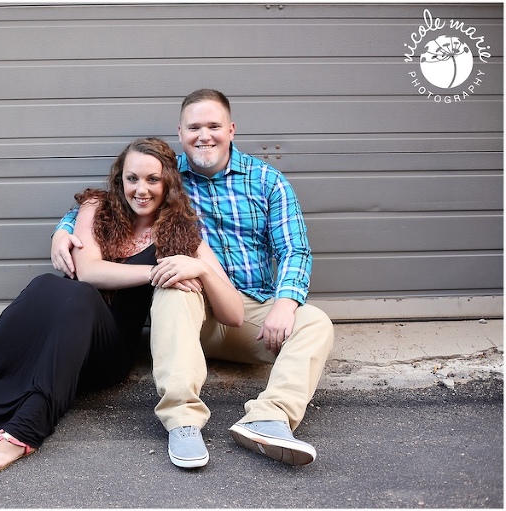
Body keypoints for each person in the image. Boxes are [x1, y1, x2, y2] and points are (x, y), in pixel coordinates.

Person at [51, 89, 335, 468]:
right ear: (180, 132)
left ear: (231, 129)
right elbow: (116, 201)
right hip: (187, 307)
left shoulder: (267, 181)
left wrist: (284, 305)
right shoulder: (167, 174)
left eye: (214, 125)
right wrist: (63, 228)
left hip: (246, 308)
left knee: (315, 321)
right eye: (194, 127)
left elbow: (294, 250)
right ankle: (182, 422)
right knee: (172, 284)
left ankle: (270, 418)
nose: (205, 135)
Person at [0, 137, 243, 475]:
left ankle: (25, 431)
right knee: (46, 285)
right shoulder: (97, 207)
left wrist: (202, 270)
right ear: (119, 179)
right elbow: (89, 271)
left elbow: (234, 314)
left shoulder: (179, 234)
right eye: (132, 178)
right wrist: (157, 270)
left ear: (168, 182)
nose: (141, 189)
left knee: (76, 294)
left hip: (108, 353)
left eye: (153, 179)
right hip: (68, 333)